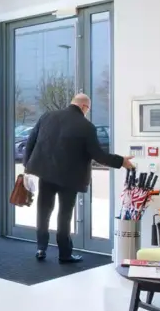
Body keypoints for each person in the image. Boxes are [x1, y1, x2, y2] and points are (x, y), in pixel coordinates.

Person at [24, 93, 134, 264]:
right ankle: (64, 254)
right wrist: (121, 161)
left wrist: (28, 166)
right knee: (64, 215)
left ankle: (41, 248)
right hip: (70, 178)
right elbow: (99, 155)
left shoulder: (47, 116)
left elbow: (31, 141)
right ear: (84, 107)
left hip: (46, 174)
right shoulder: (86, 126)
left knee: (44, 211)